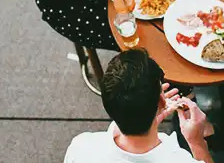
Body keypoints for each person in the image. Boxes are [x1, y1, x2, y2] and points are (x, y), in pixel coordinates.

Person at [64, 49, 215, 162]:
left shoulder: (81, 147)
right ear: (162, 101)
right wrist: (197, 142)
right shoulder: (181, 160)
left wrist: (142, 112)